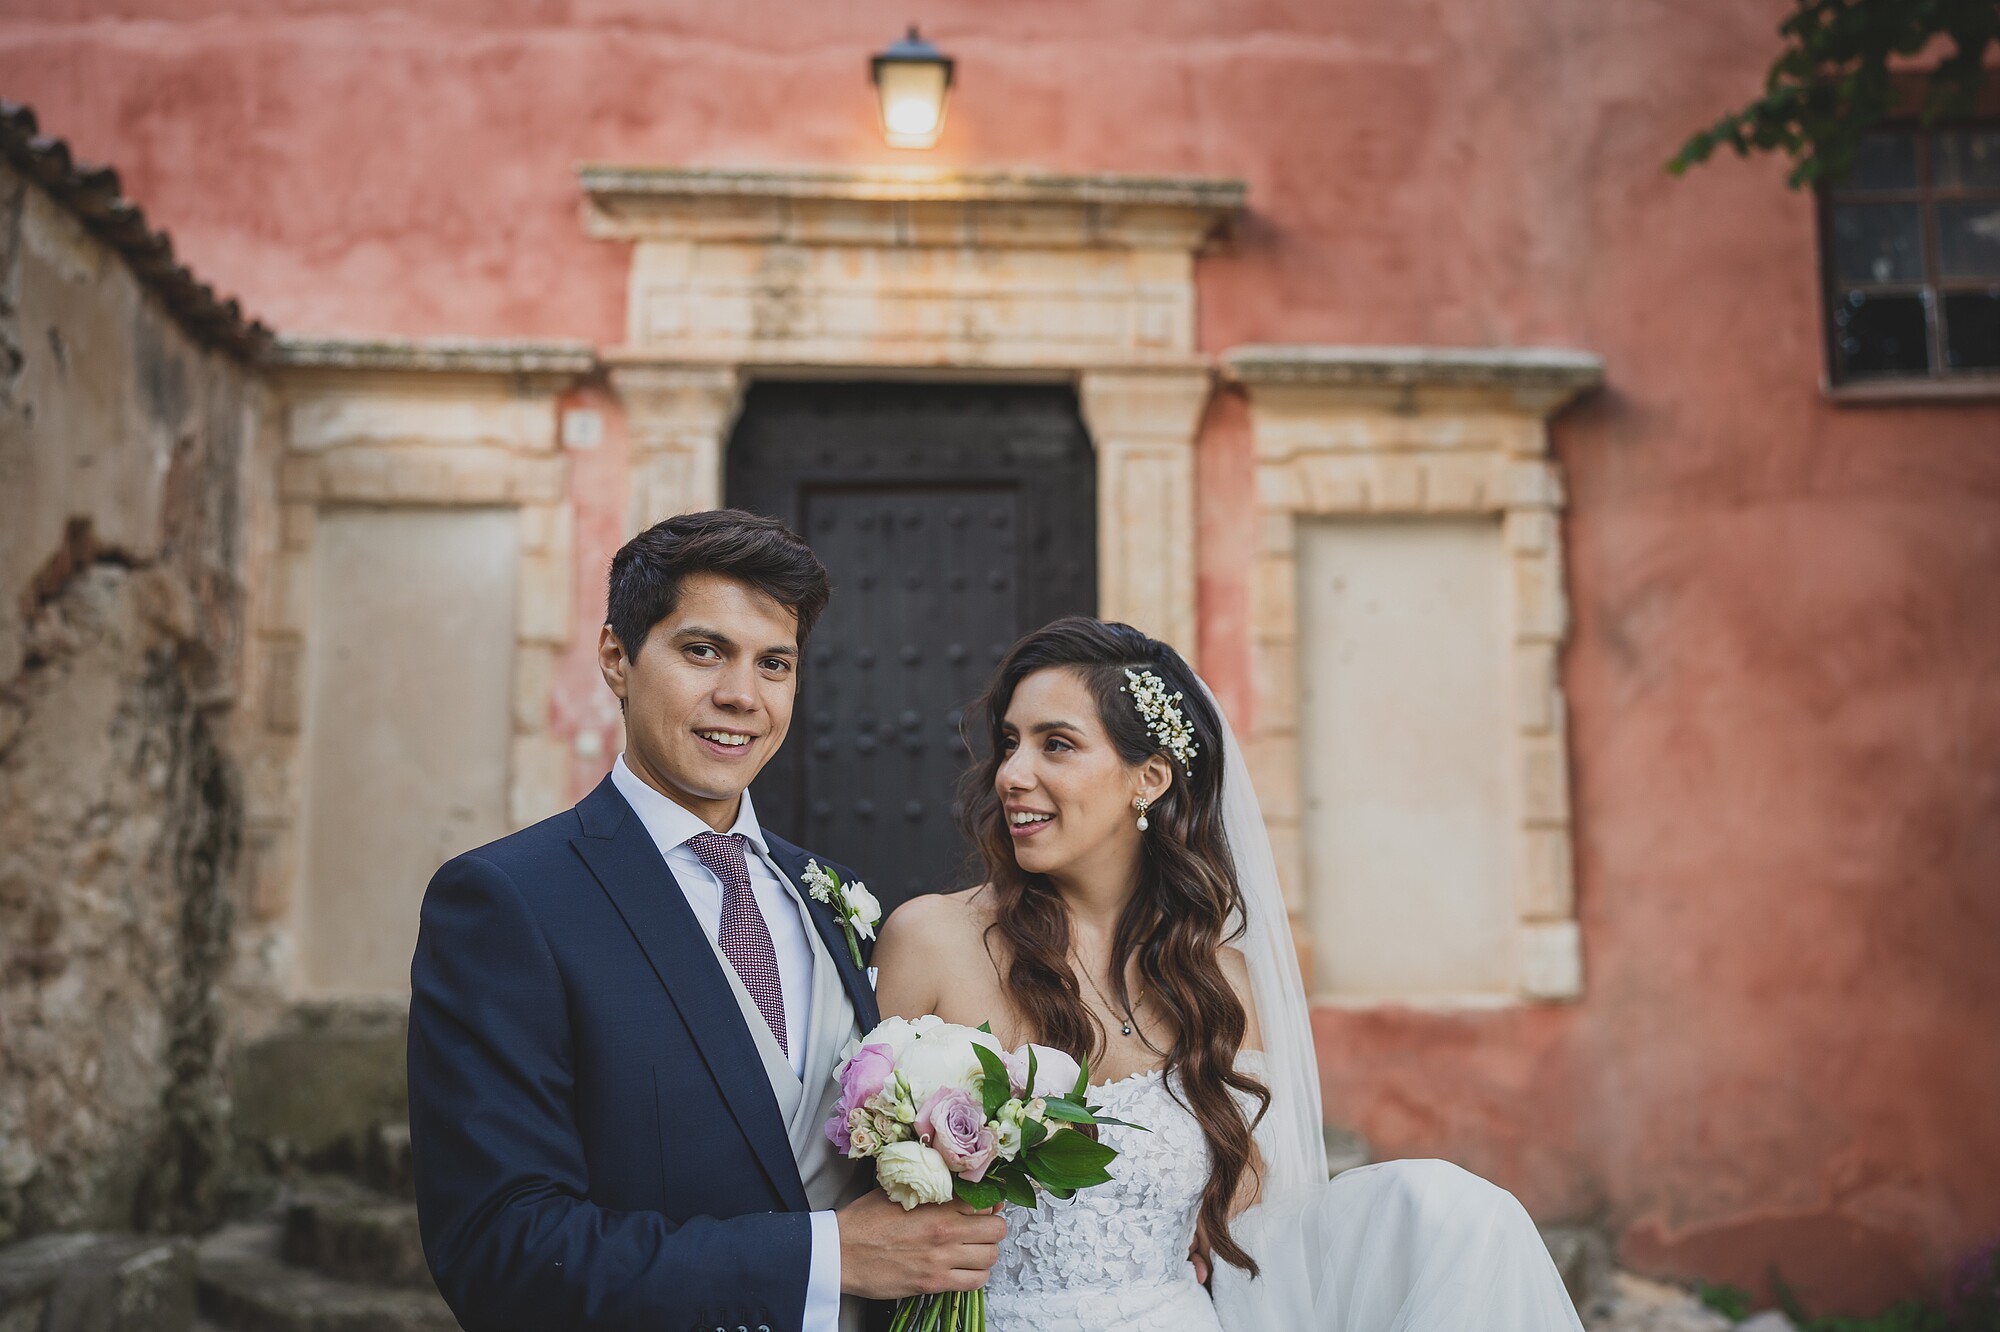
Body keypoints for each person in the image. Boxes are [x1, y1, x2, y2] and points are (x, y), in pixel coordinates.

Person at [873, 616, 1586, 1331]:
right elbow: (852, 1204)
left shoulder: (1218, 981)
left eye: (1055, 744)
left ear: (1147, 779)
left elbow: (1257, 1228)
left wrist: (1432, 1214)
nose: (1011, 775)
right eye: (1009, 743)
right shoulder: (933, 940)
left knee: (1457, 1209)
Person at [406, 509, 1006, 1332]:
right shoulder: (507, 902)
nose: (741, 695)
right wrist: (828, 1259)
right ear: (617, 658)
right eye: (703, 651)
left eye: (775, 663)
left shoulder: (832, 893)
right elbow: (500, 1250)